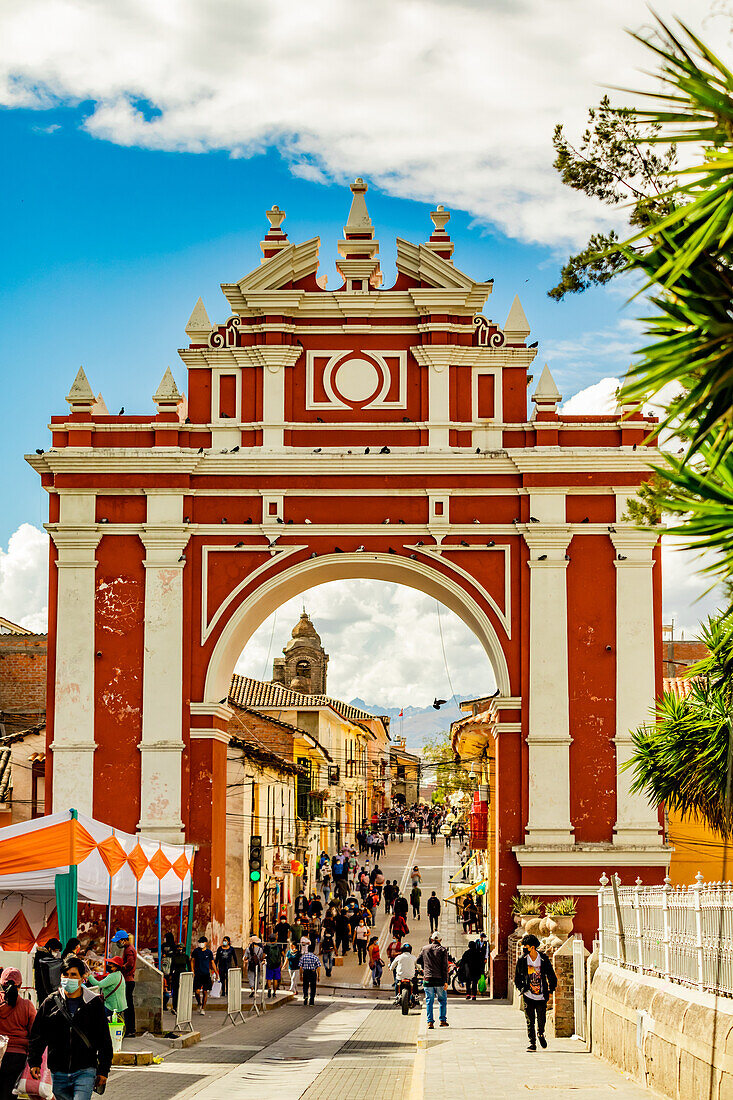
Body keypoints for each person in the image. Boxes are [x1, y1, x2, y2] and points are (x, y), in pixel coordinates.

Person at [29, 956, 112, 1100]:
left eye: (73, 975)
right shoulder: (50, 1003)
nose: (68, 978)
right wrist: (34, 1061)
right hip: (58, 1071)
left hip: (85, 1070)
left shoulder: (93, 1003)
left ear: (82, 978)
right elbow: (38, 1034)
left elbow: (104, 1038)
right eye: (65, 975)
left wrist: (103, 1069)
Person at [514, 934, 557, 1051]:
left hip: (541, 994)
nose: (524, 948)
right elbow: (517, 978)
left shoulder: (543, 959)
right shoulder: (522, 960)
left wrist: (551, 989)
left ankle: (541, 1034)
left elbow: (551, 975)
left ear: (532, 947)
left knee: (541, 1018)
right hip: (528, 994)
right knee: (530, 1020)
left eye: (525, 946)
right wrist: (522, 988)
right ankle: (532, 1043)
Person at [0, 967, 36, 1100]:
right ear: (20, 985)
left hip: (0, 1054)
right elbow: (35, 1034)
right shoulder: (27, 1005)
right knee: (9, 1093)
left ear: (1, 984)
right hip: (17, 1058)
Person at [418, 932, 449, 1030]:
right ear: (440, 940)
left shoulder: (424, 949)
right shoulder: (443, 950)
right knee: (442, 1001)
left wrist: (425, 966)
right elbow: (445, 967)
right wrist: (446, 981)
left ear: (432, 939)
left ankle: (430, 1022)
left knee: (429, 1001)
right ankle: (442, 1020)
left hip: (427, 979)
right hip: (439, 980)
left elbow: (418, 960)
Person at [110, 929, 137, 1037]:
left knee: (127, 1006)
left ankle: (130, 1029)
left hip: (128, 981)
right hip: (128, 980)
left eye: (119, 941)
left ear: (124, 940)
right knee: (128, 1005)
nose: (118, 943)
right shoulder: (129, 949)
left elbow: (129, 964)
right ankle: (130, 1029)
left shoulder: (129, 950)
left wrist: (119, 968)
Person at [191, 935, 217, 1014]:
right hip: (198, 974)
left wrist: (216, 972)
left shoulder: (209, 952)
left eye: (202, 942)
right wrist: (192, 970)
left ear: (205, 943)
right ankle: (199, 1002)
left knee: (205, 992)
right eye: (200, 942)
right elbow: (192, 960)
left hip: (206, 974)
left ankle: (203, 1008)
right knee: (197, 991)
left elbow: (212, 962)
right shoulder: (196, 951)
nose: (201, 944)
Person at [34, 937, 63, 1003]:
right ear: (50, 948)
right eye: (55, 950)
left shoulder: (39, 955)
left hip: (40, 986)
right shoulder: (44, 958)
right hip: (44, 988)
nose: (56, 953)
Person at [299, 940, 321, 1005]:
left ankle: (305, 996)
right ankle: (312, 999)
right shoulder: (315, 957)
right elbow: (318, 967)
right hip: (312, 972)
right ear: (313, 950)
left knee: (305, 985)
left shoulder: (303, 957)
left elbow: (300, 967)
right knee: (313, 986)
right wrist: (318, 976)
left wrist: (301, 975)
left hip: (305, 972)